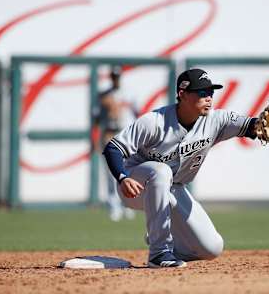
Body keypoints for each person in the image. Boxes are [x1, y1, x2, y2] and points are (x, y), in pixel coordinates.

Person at [103, 68, 258, 268]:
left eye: (211, 93)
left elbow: (249, 125)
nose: (209, 98)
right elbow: (113, 148)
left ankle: (166, 240)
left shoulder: (215, 120)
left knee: (211, 248)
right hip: (137, 185)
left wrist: (260, 125)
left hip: (174, 188)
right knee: (161, 171)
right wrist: (123, 177)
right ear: (182, 94)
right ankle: (158, 253)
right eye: (202, 93)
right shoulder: (154, 122)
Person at [94, 65, 135, 222]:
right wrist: (96, 140)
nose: (115, 79)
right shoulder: (104, 95)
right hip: (110, 134)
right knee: (112, 175)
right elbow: (97, 120)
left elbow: (138, 116)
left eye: (117, 76)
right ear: (110, 77)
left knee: (129, 171)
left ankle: (128, 205)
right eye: (113, 76)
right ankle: (114, 206)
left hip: (126, 136)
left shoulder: (129, 94)